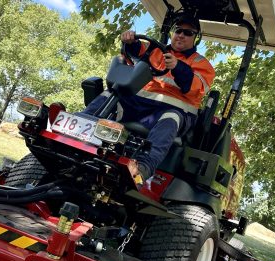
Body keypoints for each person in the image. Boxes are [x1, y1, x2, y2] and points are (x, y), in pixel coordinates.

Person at [84, 15, 215, 185]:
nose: (182, 35)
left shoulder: (202, 64)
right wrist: (129, 41)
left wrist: (177, 67)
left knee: (171, 118)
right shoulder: (155, 50)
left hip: (172, 111)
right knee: (110, 94)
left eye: (188, 33)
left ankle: (142, 167)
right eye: (179, 30)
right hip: (138, 105)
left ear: (195, 38)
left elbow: (194, 87)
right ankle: (78, 129)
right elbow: (135, 51)